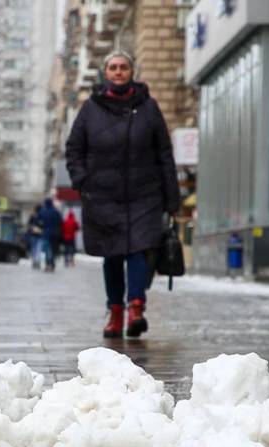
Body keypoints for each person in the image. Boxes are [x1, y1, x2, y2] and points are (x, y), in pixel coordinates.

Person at [65, 50, 180, 338]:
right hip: (103, 195)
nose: (118, 72)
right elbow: (74, 149)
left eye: (123, 67)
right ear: (106, 73)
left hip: (144, 193)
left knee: (139, 250)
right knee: (113, 255)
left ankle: (136, 308)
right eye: (113, 67)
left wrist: (172, 197)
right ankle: (115, 312)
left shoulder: (149, 107)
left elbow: (164, 153)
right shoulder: (90, 108)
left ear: (132, 72)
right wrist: (83, 181)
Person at [38, 198, 63, 272]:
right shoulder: (55, 211)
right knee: (52, 250)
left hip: (45, 234)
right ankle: (51, 264)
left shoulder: (43, 211)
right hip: (54, 234)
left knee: (47, 251)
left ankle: (47, 264)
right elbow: (60, 222)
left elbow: (39, 221)